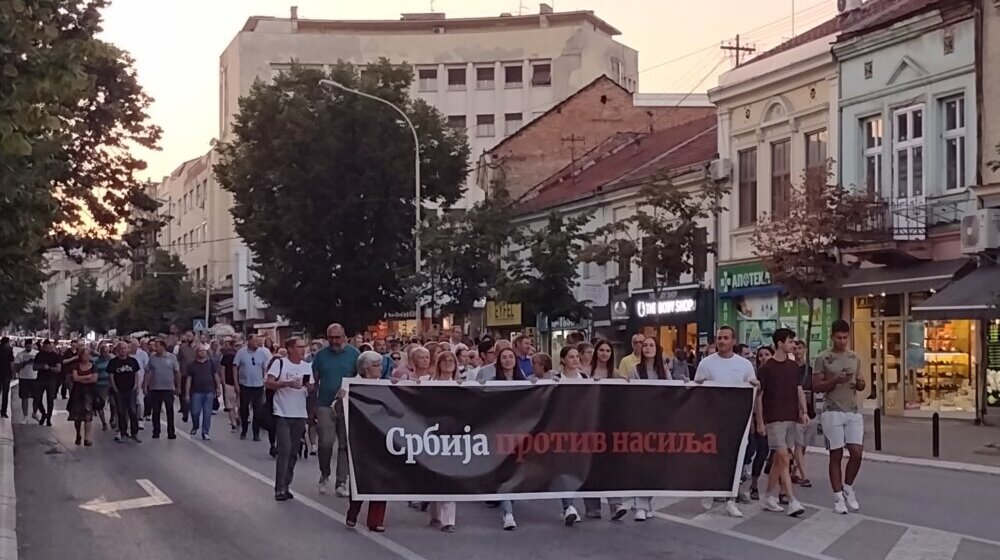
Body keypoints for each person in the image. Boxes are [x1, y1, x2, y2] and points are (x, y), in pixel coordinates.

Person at [693, 326, 758, 518]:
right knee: (712, 458)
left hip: (737, 419)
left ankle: (731, 499)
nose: (721, 341)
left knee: (734, 460)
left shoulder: (745, 364)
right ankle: (709, 490)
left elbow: (752, 390)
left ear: (733, 341)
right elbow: (696, 391)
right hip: (712, 419)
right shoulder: (706, 363)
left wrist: (756, 388)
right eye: (719, 338)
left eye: (725, 338)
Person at [813, 320, 865, 515]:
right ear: (832, 336)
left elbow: (861, 385)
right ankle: (837, 497)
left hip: (852, 409)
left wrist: (861, 383)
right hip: (832, 409)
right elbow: (816, 386)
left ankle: (848, 487)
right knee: (836, 453)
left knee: (857, 452)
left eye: (845, 337)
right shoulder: (823, 358)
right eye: (838, 337)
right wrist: (836, 380)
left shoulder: (855, 357)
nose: (842, 341)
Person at [754, 328, 807, 517]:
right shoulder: (766, 368)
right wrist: (760, 421)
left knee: (779, 458)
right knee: (784, 456)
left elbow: (798, 389)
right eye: (790, 341)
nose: (793, 345)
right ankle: (792, 500)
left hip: (790, 416)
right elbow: (759, 396)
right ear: (780, 343)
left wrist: (803, 410)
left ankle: (768, 496)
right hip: (773, 418)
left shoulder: (794, 367)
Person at [312, 323, 359, 498]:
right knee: (325, 442)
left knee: (345, 445)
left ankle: (341, 482)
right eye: (331, 337)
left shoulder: (355, 354)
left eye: (337, 337)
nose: (334, 341)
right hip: (325, 403)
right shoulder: (321, 355)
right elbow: (314, 380)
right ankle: (325, 474)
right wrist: (311, 406)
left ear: (344, 336)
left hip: (347, 404)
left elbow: (361, 377)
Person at [346, 350, 389, 531]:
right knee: (361, 476)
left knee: (382, 477)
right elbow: (338, 409)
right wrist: (341, 397)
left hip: (383, 436)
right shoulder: (352, 385)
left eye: (380, 365)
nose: (379, 369)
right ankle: (353, 511)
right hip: (361, 438)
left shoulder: (386, 386)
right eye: (375, 365)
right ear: (365, 368)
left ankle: (376, 520)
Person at [268, 337, 313, 501]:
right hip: (282, 412)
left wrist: (307, 385)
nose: (303, 350)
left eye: (304, 347)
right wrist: (287, 383)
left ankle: (286, 484)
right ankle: (279, 487)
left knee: (294, 452)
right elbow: (269, 383)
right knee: (284, 450)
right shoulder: (280, 363)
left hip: (300, 413)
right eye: (300, 347)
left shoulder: (307, 366)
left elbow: (311, 386)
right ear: (290, 349)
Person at [491, 347, 526, 530]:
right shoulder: (492, 382)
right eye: (503, 357)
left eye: (511, 357)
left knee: (518, 471)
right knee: (506, 473)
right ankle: (508, 513)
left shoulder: (525, 382)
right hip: (501, 434)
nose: (507, 360)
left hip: (522, 433)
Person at [427, 351, 459, 532]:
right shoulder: (429, 384)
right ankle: (435, 514)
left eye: (451, 361)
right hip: (433, 435)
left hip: (455, 436)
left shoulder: (463, 385)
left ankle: (449, 521)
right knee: (435, 475)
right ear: (438, 364)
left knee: (449, 477)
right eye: (444, 360)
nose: (448, 363)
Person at [747, 345, 775, 501]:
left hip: (776, 418)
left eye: (766, 354)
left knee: (778, 454)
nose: (763, 357)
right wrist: (757, 422)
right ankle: (755, 484)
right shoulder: (755, 376)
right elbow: (755, 399)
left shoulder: (777, 374)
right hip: (761, 419)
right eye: (760, 355)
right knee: (761, 452)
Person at [234, 334, 271, 441]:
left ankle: (256, 433)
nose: (257, 344)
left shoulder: (262, 353)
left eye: (258, 341)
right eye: (255, 341)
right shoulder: (241, 352)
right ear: (249, 341)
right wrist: (236, 384)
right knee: (244, 409)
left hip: (258, 385)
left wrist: (265, 382)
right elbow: (235, 367)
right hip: (245, 385)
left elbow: (265, 368)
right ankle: (244, 429)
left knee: (258, 410)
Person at [144, 339, 181, 440]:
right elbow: (147, 372)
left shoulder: (172, 358)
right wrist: (145, 385)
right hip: (155, 388)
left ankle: (171, 432)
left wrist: (178, 387)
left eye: (157, 346)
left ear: (163, 347)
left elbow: (177, 372)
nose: (155, 348)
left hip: (168, 388)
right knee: (156, 411)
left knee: (170, 410)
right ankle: (156, 431)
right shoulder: (152, 358)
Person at [792, 339, 816, 487]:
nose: (797, 351)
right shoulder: (790, 369)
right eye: (795, 348)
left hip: (810, 411)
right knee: (799, 444)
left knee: (804, 445)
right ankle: (803, 475)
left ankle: (795, 470)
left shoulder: (810, 370)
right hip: (795, 413)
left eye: (800, 348)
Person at [185, 345, 222, 441]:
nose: (202, 352)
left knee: (207, 413)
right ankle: (195, 425)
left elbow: (215, 375)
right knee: (195, 411)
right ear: (196, 353)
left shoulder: (210, 363)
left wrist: (218, 387)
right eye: (200, 351)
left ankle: (205, 432)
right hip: (196, 391)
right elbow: (189, 380)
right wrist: (187, 393)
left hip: (209, 391)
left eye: (204, 351)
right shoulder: (192, 365)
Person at [107, 342, 141, 443]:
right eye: (121, 348)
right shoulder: (113, 362)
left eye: (125, 348)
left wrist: (136, 386)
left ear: (128, 349)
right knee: (121, 412)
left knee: (133, 411)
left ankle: (135, 433)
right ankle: (123, 433)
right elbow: (111, 376)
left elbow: (136, 374)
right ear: (117, 350)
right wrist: (115, 388)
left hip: (131, 390)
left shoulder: (132, 361)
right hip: (119, 390)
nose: (123, 350)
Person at [67, 348, 98, 446]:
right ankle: (78, 434)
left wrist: (83, 380)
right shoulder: (76, 365)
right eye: (85, 354)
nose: (87, 356)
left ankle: (87, 438)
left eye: (88, 354)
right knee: (77, 416)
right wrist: (87, 376)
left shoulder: (93, 366)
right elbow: (75, 378)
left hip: (89, 392)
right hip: (77, 392)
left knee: (88, 415)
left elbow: (94, 379)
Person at [33, 339, 62, 426]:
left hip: (51, 379)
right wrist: (41, 367)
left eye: (48, 347)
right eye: (45, 347)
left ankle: (48, 419)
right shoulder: (39, 355)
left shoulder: (55, 356)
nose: (46, 349)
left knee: (50, 400)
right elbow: (34, 367)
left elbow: (58, 369)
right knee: (37, 398)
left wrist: (49, 368)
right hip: (40, 379)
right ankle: (43, 413)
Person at [14, 339, 39, 424]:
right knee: (24, 397)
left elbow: (40, 365)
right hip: (24, 378)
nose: (29, 347)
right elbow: (16, 368)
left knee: (36, 397)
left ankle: (35, 412)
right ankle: (25, 416)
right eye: (27, 346)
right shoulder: (20, 354)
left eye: (30, 345)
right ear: (25, 346)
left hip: (34, 377)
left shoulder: (36, 354)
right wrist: (24, 363)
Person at [176, 332, 197, 423]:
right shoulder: (182, 348)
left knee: (194, 394)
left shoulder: (198, 348)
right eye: (187, 336)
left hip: (196, 374)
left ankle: (193, 411)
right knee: (184, 394)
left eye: (190, 336)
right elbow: (179, 360)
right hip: (184, 373)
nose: (188, 338)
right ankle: (185, 412)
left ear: (194, 337)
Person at [129, 339, 149, 429]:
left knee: (140, 403)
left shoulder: (143, 354)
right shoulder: (127, 354)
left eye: (134, 345)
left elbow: (147, 368)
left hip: (140, 381)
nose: (132, 347)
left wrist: (145, 382)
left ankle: (140, 419)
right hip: (129, 382)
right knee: (131, 403)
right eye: (131, 345)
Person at [220, 339, 239, 432]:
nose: (238, 348)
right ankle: (234, 423)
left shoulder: (243, 356)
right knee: (230, 405)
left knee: (240, 405)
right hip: (229, 383)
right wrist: (223, 382)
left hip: (242, 384)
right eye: (236, 346)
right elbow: (222, 369)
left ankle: (238, 417)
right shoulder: (227, 357)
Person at [93, 343, 113, 432]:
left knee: (113, 403)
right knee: (101, 403)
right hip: (100, 385)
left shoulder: (111, 360)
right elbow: (94, 372)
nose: (106, 353)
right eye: (104, 351)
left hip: (111, 384)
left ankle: (112, 418)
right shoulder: (96, 361)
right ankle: (104, 422)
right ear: (101, 352)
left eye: (107, 351)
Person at [0, 337, 13, 418]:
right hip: (6, 374)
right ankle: (3, 412)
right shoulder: (9, 350)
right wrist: (13, 372)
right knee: (5, 394)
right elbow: (11, 363)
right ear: (7, 343)